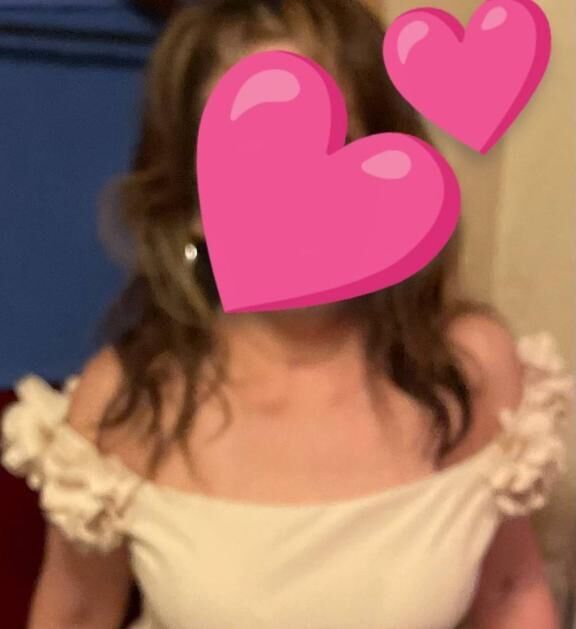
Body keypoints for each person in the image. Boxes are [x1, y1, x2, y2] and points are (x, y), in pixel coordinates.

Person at [1, 1, 571, 628]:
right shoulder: (127, 403)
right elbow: (77, 613)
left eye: (335, 144)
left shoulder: (471, 369)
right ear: (189, 202)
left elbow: (510, 591)